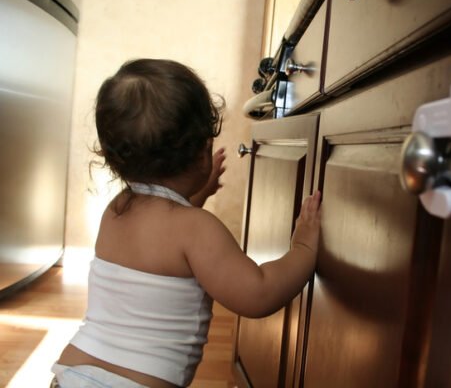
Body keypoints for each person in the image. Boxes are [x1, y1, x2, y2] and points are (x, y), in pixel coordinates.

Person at [52, 59, 321, 388]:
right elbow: (259, 293)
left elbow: (163, 239)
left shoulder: (117, 209)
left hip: (72, 372)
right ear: (201, 152)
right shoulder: (197, 229)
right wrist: (304, 249)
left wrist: (195, 195)